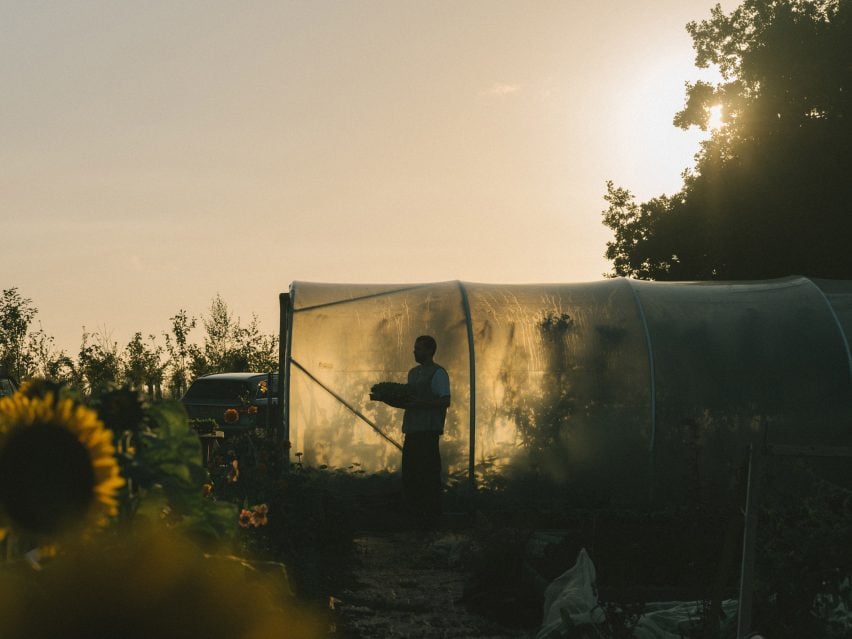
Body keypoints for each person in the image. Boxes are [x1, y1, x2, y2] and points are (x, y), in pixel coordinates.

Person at [373, 335, 450, 524]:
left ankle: (432, 518)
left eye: (419, 348)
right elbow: (408, 401)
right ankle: (415, 516)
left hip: (428, 431)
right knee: (411, 475)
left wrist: (420, 403)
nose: (414, 351)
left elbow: (445, 401)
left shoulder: (438, 373)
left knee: (428, 475)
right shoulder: (413, 373)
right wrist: (388, 398)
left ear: (430, 351)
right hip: (412, 430)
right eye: (415, 348)